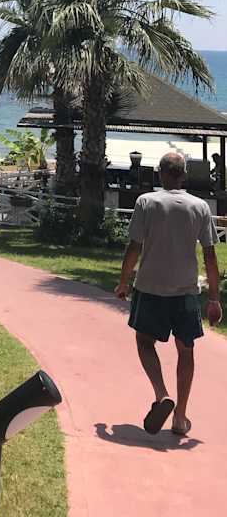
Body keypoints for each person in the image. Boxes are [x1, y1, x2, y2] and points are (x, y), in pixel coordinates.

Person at [115, 151, 222, 436]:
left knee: (144, 342)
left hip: (150, 287)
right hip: (185, 291)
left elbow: (134, 247)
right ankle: (180, 417)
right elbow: (210, 256)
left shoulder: (146, 202)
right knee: (186, 350)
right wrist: (214, 298)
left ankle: (162, 394)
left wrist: (124, 281)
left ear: (160, 174)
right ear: (183, 175)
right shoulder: (200, 206)